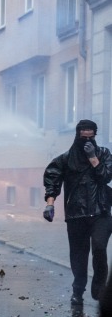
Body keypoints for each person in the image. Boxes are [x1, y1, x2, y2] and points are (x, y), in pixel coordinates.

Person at [43, 119, 112, 306]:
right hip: (76, 214)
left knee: (99, 247)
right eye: (84, 138)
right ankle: (78, 291)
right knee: (79, 255)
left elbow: (106, 176)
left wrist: (93, 158)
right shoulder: (66, 159)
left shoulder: (104, 153)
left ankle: (99, 289)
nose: (87, 142)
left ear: (95, 136)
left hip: (101, 212)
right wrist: (50, 204)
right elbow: (52, 179)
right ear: (77, 136)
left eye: (91, 138)